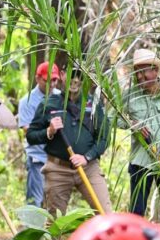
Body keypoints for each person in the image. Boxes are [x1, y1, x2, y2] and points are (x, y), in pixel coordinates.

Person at [113, 48, 160, 236]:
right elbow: (113, 116)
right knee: (137, 212)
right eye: (137, 74)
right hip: (140, 161)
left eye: (144, 72)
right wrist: (131, 124)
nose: (141, 78)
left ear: (155, 70)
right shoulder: (130, 94)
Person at [26, 69, 112, 216]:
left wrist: (87, 157)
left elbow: (104, 138)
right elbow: (31, 136)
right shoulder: (49, 103)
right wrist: (49, 131)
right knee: (55, 223)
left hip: (88, 168)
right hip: (58, 169)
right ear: (62, 75)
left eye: (79, 76)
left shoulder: (93, 105)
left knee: (105, 214)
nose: (75, 80)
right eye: (71, 75)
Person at [19, 61, 61, 207]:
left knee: (54, 202)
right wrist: (48, 130)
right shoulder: (27, 101)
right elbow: (27, 129)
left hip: (56, 158)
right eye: (47, 80)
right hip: (38, 157)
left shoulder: (61, 97)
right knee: (35, 201)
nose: (52, 84)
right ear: (37, 79)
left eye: (54, 80)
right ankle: (31, 229)